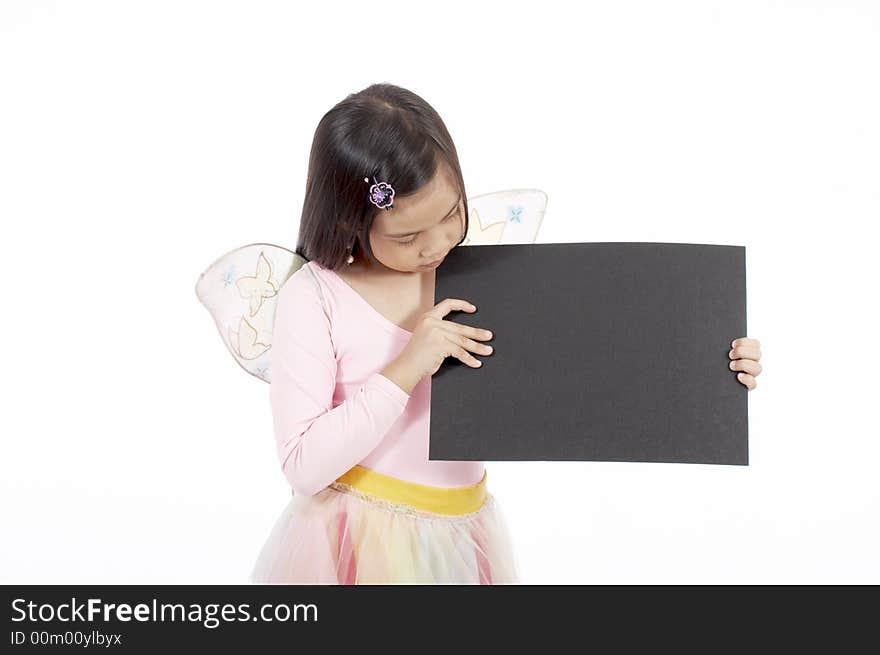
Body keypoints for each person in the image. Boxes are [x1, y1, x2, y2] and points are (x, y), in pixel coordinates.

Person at [250, 83, 521, 583]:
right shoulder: (316, 296)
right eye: (407, 237)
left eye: (450, 214)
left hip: (462, 536)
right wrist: (407, 366)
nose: (437, 245)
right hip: (361, 542)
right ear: (350, 221)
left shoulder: (478, 276)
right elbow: (303, 466)